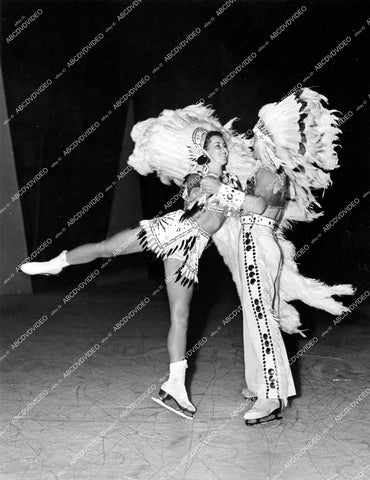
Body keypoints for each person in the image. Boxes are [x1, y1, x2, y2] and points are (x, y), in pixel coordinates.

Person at [20, 104, 263, 419]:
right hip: (171, 230)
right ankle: (58, 263)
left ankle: (175, 386)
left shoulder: (224, 185)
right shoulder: (199, 177)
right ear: (205, 152)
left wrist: (224, 190)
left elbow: (250, 207)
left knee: (181, 316)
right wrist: (205, 179)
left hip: (189, 250)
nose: (222, 149)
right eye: (216, 146)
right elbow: (198, 202)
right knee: (106, 248)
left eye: (223, 146)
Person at [205, 88, 354, 424]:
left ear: (268, 142)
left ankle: (271, 396)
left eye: (257, 135)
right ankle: (257, 383)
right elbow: (244, 206)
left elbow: (255, 207)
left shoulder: (271, 175)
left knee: (262, 320)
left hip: (259, 246)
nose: (251, 139)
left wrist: (221, 191)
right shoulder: (261, 172)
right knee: (255, 314)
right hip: (252, 244)